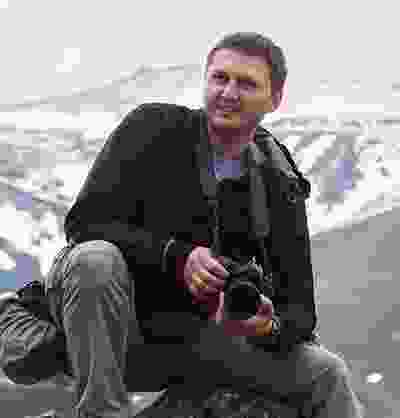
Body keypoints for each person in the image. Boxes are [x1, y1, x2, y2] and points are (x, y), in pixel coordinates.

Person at [41, 32, 364, 418]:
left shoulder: (276, 177)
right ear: (205, 79)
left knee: (327, 372)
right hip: (117, 328)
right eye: (219, 78)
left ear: (275, 99)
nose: (228, 92)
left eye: (246, 83)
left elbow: (302, 310)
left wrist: (267, 326)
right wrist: (177, 257)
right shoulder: (152, 129)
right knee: (94, 260)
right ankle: (99, 413)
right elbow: (84, 223)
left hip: (198, 338)